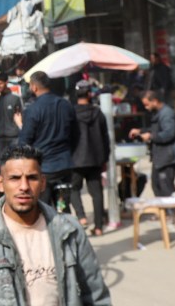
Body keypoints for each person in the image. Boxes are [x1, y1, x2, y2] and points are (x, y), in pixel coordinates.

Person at [0, 145, 111, 305]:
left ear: (43, 183)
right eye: (15, 178)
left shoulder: (69, 231)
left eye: (32, 178)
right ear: (1, 184)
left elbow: (96, 296)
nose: (24, 187)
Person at [16, 71, 77, 212]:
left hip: (44, 168)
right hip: (64, 165)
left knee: (43, 210)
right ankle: (64, 231)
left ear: (34, 87)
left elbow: (24, 141)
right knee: (63, 207)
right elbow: (75, 135)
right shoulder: (65, 105)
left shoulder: (33, 109)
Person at [129, 90, 175, 198]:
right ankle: (165, 212)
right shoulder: (159, 113)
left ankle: (173, 212)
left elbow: (169, 133)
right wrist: (141, 131)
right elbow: (156, 129)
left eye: (147, 104)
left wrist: (151, 137)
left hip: (169, 156)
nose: (146, 107)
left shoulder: (167, 114)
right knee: (156, 184)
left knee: (165, 187)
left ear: (154, 101)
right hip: (161, 156)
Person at [70, 86, 109, 236]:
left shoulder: (72, 113)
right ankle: (99, 227)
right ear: (89, 94)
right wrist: (104, 157)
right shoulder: (98, 113)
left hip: (76, 158)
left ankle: (81, 217)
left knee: (74, 189)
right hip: (95, 158)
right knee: (97, 192)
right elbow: (105, 138)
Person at [0, 73, 22, 163]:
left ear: (6, 82)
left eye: (0, 83)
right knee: (3, 164)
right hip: (0, 138)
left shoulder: (15, 98)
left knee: (15, 163)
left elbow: (20, 116)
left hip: (13, 137)